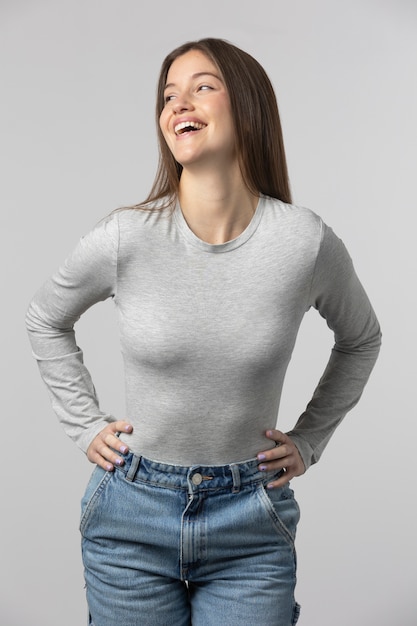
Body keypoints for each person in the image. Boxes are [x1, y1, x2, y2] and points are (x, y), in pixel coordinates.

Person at [26, 37, 381, 626]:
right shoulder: (127, 236)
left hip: (251, 518)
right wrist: (84, 424)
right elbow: (46, 318)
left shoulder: (303, 242)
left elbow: (361, 338)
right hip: (130, 518)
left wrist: (311, 438)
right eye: (168, 95)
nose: (177, 104)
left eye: (201, 86)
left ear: (246, 105)